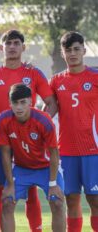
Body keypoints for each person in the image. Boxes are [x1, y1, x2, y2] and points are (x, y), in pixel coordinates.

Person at [0, 29, 58, 231]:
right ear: (1, 48)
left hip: (29, 143)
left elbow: (51, 102)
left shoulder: (32, 73)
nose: (12, 47)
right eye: (8, 43)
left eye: (16, 43)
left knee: (31, 193)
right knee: (0, 192)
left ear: (23, 47)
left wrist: (39, 126)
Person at [0, 83, 65, 231]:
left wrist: (53, 184)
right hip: (21, 168)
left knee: (57, 202)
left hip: (46, 168)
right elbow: (6, 153)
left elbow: (54, 153)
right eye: (15, 103)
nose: (19, 107)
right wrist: (10, 184)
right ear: (10, 103)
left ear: (30, 102)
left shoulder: (44, 120)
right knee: (7, 202)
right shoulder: (3, 120)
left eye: (23, 102)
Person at [50, 31, 98, 232]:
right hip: (67, 151)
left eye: (76, 49)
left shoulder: (95, 77)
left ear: (84, 51)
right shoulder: (56, 81)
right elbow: (48, 113)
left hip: (93, 149)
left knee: (94, 199)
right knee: (71, 199)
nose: (72, 53)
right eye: (68, 50)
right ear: (62, 53)